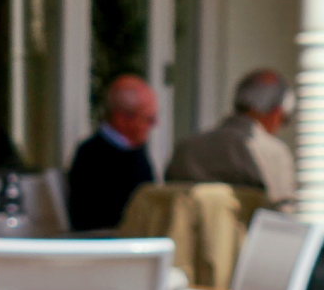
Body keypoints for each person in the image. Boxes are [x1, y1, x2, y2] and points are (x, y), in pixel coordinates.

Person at [166, 69, 295, 207]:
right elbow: (282, 216)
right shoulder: (272, 151)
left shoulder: (185, 148)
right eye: (284, 119)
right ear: (277, 111)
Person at [67, 75, 157, 231]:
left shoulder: (134, 150)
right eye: (148, 118)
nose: (154, 124)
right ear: (121, 119)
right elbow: (90, 219)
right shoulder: (92, 157)